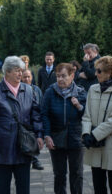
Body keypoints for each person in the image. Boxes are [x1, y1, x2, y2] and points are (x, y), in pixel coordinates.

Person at [0, 56, 44, 194]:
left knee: (23, 188)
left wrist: (39, 135)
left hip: (24, 146)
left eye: (21, 70)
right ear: (7, 72)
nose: (20, 74)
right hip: (2, 147)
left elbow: (36, 115)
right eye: (16, 71)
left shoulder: (28, 90)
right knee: (3, 188)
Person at [82, 56, 112, 194]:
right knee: (98, 184)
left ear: (109, 72)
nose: (96, 74)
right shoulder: (92, 89)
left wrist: (94, 135)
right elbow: (87, 115)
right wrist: (85, 134)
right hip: (95, 145)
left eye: (99, 71)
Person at [41, 63, 86, 194]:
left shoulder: (81, 92)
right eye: (58, 76)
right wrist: (47, 135)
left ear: (72, 76)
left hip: (76, 138)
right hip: (56, 138)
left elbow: (88, 115)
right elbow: (44, 114)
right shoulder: (50, 92)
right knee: (59, 174)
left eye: (64, 76)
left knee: (77, 173)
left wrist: (79, 106)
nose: (60, 79)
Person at [21, 69, 43, 170]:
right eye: (24, 77)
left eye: (28, 77)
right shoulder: (19, 90)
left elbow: (41, 104)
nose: (26, 79)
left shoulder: (37, 90)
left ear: (32, 77)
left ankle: (35, 159)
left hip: (35, 118)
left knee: (35, 138)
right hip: (24, 120)